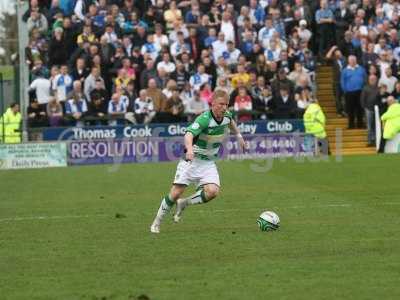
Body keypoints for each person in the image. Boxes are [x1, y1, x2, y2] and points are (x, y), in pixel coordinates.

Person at [150, 90, 246, 234]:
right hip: (191, 161)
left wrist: (239, 136)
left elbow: (231, 122)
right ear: (212, 103)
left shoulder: (226, 115)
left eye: (226, 104)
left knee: (212, 192)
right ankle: (156, 223)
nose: (224, 107)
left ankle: (184, 203)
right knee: (175, 193)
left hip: (208, 163)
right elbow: (189, 134)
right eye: (221, 104)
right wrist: (189, 149)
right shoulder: (204, 119)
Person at [340, 55, 367, 129]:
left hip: (360, 92)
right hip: (349, 93)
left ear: (356, 60)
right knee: (350, 110)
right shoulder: (345, 70)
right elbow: (342, 82)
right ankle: (351, 125)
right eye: (351, 60)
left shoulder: (361, 69)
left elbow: (365, 80)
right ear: (348, 61)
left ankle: (360, 125)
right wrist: (345, 90)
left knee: (360, 109)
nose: (352, 61)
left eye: (354, 60)